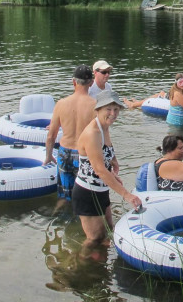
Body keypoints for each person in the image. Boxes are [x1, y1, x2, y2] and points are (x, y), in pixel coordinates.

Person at [72, 90, 142, 255]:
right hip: (87, 193)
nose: (113, 114)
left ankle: (101, 264)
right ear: (98, 110)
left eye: (116, 109)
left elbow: (104, 154)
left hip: (101, 190)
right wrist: (127, 195)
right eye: (108, 109)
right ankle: (77, 267)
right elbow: (99, 170)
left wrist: (114, 163)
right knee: (94, 239)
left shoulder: (104, 127)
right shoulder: (93, 133)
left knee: (109, 230)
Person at [45, 65, 98, 207]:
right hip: (84, 155)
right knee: (86, 196)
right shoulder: (96, 106)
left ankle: (61, 219)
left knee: (64, 195)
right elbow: (99, 137)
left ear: (73, 82)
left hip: (64, 154)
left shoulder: (61, 104)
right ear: (91, 83)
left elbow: (51, 135)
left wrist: (48, 155)